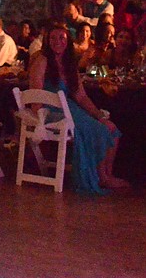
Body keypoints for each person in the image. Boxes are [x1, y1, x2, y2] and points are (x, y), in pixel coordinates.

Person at [28, 23, 129, 192]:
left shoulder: (69, 64)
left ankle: (106, 174)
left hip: (69, 108)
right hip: (51, 110)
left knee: (112, 128)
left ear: (68, 41)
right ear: (47, 41)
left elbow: (81, 96)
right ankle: (102, 177)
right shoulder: (42, 60)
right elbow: (36, 93)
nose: (57, 41)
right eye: (53, 38)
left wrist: (99, 115)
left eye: (61, 37)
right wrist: (38, 120)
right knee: (101, 131)